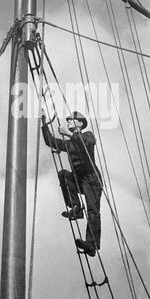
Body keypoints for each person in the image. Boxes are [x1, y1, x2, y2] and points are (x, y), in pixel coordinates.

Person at [41, 110, 102, 257]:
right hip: (79, 179)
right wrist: (44, 123)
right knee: (63, 175)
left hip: (92, 180)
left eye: (71, 120)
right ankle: (76, 208)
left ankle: (92, 245)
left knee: (93, 211)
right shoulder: (69, 144)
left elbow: (87, 143)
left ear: (80, 123)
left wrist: (69, 134)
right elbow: (51, 141)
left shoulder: (88, 135)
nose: (68, 121)